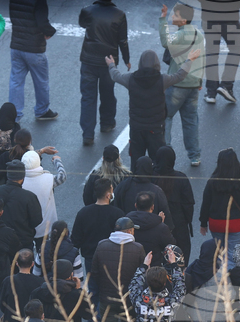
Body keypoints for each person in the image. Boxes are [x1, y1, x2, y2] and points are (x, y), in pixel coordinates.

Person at [107, 49, 197, 170]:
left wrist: (111, 65)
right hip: (156, 129)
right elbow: (180, 75)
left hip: (136, 128)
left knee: (136, 160)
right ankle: (155, 184)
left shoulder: (131, 79)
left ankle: (136, 184)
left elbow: (115, 76)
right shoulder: (162, 80)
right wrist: (189, 60)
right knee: (157, 161)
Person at [198, 148, 240, 268]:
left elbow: (206, 203)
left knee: (219, 253)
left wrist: (203, 223)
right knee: (233, 254)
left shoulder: (212, 182)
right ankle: (231, 280)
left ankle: (220, 277)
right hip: (237, 224)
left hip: (216, 223)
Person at [78, 0, 130, 145]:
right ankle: (107, 123)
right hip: (109, 61)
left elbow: (83, 24)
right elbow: (123, 40)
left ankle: (88, 135)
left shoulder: (87, 10)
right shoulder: (119, 15)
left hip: (88, 60)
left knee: (88, 98)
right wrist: (126, 59)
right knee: (107, 93)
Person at [159, 4, 204, 167]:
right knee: (191, 121)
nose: (172, 17)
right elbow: (202, 58)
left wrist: (162, 19)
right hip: (193, 85)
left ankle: (165, 152)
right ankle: (195, 156)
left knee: (166, 117)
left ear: (183, 20)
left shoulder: (179, 36)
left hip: (177, 85)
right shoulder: (199, 35)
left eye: (174, 15)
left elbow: (165, 42)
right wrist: (200, 80)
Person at [8, 0, 58, 122]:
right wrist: (50, 31)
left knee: (16, 82)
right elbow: (42, 22)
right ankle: (42, 111)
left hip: (16, 45)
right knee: (41, 81)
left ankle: (15, 115)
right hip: (34, 47)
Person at [153, 146, 196, 263]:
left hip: (155, 223)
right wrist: (187, 220)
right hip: (178, 224)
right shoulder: (181, 178)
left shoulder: (151, 178)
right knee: (181, 256)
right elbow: (188, 203)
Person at [21, 149, 66, 243]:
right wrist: (57, 161)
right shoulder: (48, 179)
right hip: (46, 226)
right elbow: (62, 176)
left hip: (25, 226)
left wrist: (41, 150)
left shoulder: (19, 181)